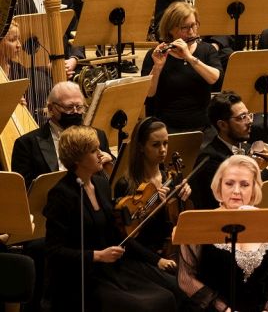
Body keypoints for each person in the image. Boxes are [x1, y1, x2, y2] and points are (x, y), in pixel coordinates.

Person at [43, 125, 178, 311]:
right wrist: (98, 255)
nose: (101, 154)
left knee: (166, 296)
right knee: (143, 305)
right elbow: (54, 251)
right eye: (93, 151)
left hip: (111, 270)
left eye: (99, 148)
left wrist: (154, 259)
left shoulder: (101, 184)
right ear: (77, 159)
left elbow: (118, 232)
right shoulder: (61, 195)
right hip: (81, 276)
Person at [178, 155, 268, 311]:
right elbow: (186, 278)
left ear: (254, 189)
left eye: (244, 185)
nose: (236, 191)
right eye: (229, 183)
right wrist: (224, 309)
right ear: (219, 187)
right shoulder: (198, 224)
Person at [112, 117, 193, 281]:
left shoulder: (171, 178)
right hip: (143, 258)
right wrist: (157, 260)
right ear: (141, 147)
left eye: (165, 143)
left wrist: (185, 198)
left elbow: (182, 223)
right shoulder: (126, 185)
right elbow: (124, 237)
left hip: (173, 252)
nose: (163, 150)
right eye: (156, 145)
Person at [187, 92, 268, 210]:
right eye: (242, 117)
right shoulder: (210, 160)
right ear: (222, 125)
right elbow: (233, 201)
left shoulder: (248, 148)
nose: (250, 121)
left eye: (249, 115)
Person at [11, 81, 113, 188]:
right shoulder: (26, 144)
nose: (75, 112)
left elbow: (113, 178)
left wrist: (109, 161)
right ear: (51, 109)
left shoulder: (98, 135)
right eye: (69, 107)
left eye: (79, 107)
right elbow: (24, 189)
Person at [141, 1, 222, 132]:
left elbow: (214, 78)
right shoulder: (155, 54)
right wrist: (157, 66)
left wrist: (189, 57)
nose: (191, 32)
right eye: (185, 28)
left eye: (194, 25)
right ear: (170, 29)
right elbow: (149, 94)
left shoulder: (207, 50)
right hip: (166, 129)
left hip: (202, 127)